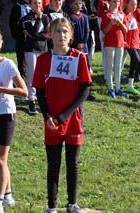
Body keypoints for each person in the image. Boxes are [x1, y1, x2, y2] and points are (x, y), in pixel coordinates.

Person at [32, 18, 91, 213]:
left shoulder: (79, 57)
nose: (62, 35)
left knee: (72, 164)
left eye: (65, 31)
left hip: (72, 119)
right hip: (51, 121)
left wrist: (64, 116)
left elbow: (84, 91)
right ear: (50, 35)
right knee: (53, 164)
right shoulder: (43, 60)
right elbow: (39, 91)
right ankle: (52, 207)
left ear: (71, 35)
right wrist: (47, 116)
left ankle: (72, 204)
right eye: (57, 31)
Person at [0, 27, 28, 213]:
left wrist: (1, 89)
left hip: (5, 114)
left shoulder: (8, 64)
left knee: (2, 160)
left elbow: (24, 91)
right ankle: (8, 194)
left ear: (1, 44)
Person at [21, 0, 50, 114]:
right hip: (31, 50)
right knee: (32, 74)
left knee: (45, 74)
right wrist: (38, 19)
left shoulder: (46, 17)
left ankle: (44, 98)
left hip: (44, 49)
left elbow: (47, 34)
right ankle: (31, 100)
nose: (37, 5)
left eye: (39, 3)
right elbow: (32, 32)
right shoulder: (26, 18)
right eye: (34, 3)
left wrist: (37, 35)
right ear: (30, 5)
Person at [101, 0, 128, 98]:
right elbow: (104, 30)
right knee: (110, 65)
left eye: (117, 1)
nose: (116, 3)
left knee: (118, 66)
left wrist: (120, 23)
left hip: (120, 43)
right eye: (114, 1)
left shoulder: (122, 14)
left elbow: (126, 30)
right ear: (110, 3)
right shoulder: (106, 15)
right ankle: (110, 88)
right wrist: (111, 24)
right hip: (109, 43)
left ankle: (118, 88)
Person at [9, 0, 31, 80]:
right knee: (21, 62)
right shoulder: (17, 6)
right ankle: (21, 81)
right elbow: (12, 23)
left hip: (34, 42)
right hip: (21, 39)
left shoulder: (35, 3)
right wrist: (18, 36)